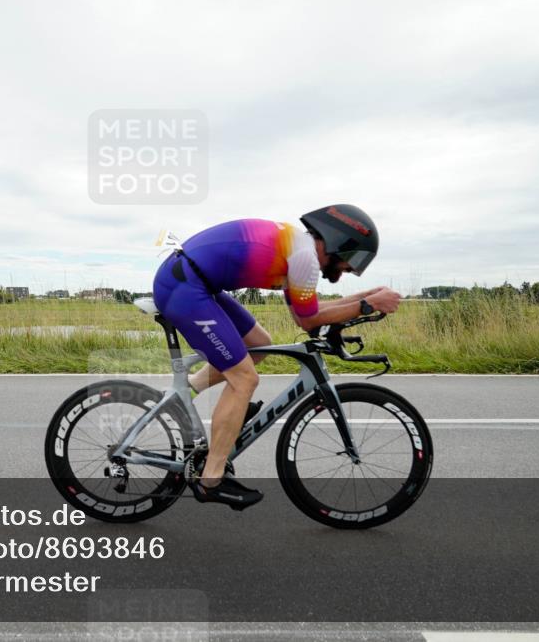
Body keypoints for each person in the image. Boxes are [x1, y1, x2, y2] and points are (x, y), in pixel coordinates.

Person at [152, 205, 402, 509]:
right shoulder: (304, 257)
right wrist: (368, 304)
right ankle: (210, 480)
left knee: (259, 343)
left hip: (194, 282)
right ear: (340, 243)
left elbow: (308, 310)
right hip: (185, 287)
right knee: (244, 379)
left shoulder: (298, 250)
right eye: (354, 260)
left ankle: (188, 392)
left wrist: (365, 298)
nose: (349, 268)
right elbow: (309, 322)